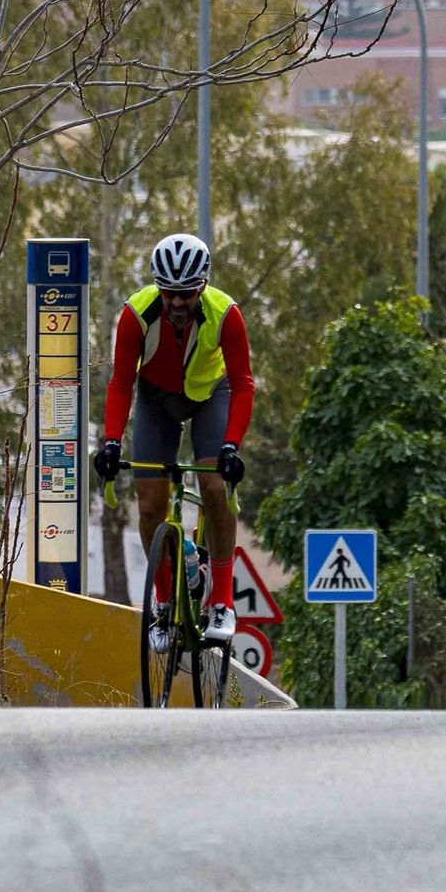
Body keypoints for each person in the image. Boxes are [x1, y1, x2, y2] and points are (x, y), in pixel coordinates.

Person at [92, 231, 253, 645]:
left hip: (209, 397)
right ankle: (164, 603)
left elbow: (243, 383)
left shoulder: (226, 314)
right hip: (155, 399)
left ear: (202, 286)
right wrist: (111, 442)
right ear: (158, 287)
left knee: (215, 487)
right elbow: (121, 382)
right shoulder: (136, 314)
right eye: (169, 293)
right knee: (149, 504)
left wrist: (231, 445)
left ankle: (221, 601)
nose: (177, 302)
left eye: (187, 293)